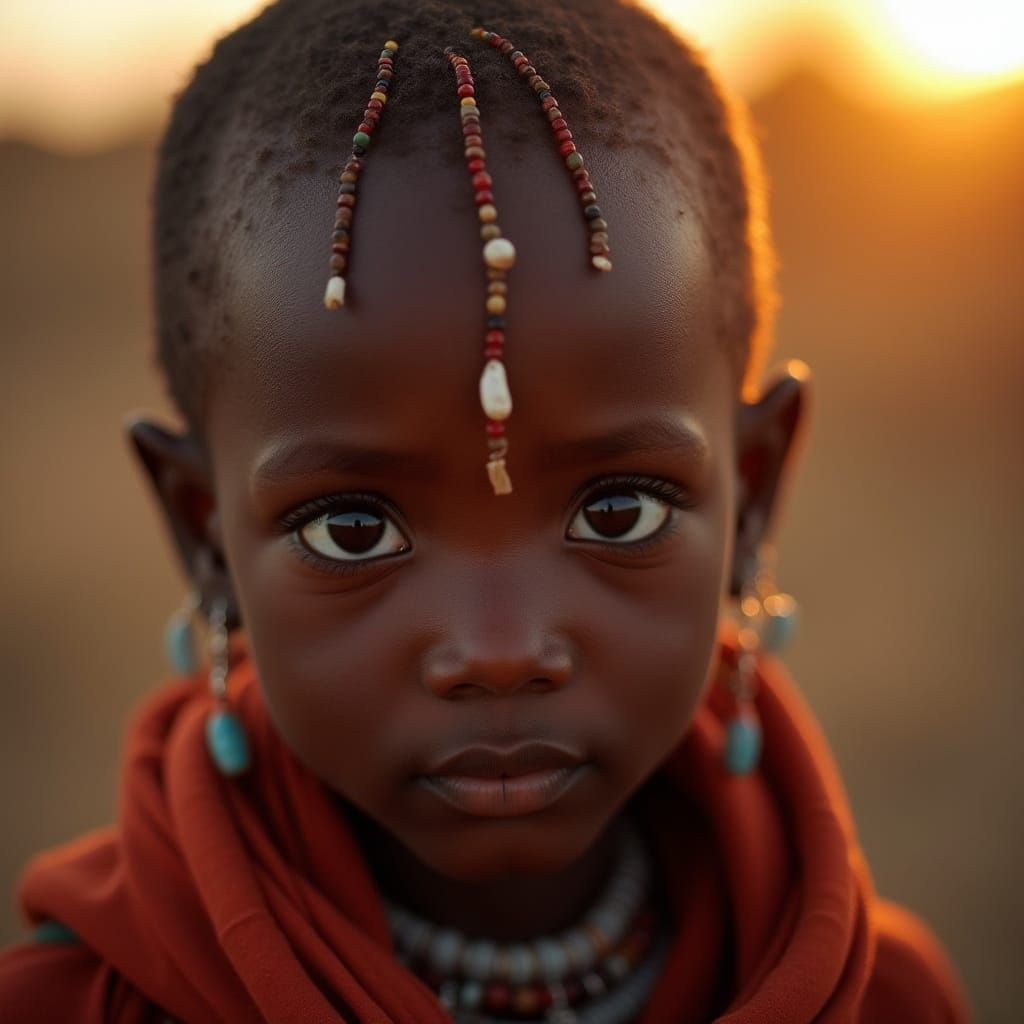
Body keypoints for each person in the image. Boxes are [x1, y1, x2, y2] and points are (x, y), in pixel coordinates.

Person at [0, 0, 973, 1020]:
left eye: (617, 513)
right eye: (354, 530)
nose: (500, 648)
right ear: (203, 535)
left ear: (754, 492)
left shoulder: (889, 997)